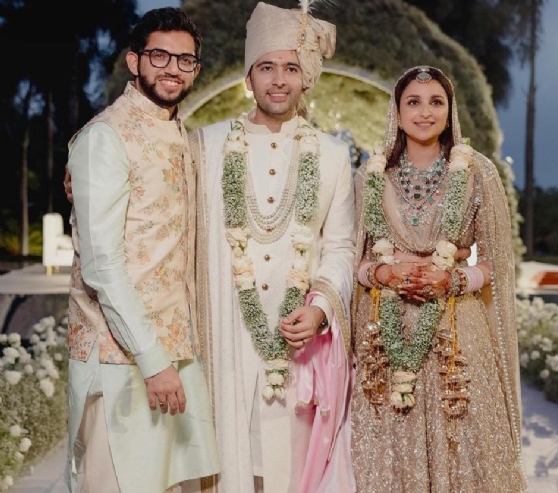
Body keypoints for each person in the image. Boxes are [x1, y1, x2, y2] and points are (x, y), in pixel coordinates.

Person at [188, 2, 356, 492]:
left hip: (297, 342)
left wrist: (321, 309)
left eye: (290, 68)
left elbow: (341, 248)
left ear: (306, 79)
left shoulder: (333, 156)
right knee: (229, 466)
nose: (279, 80)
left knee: (290, 471)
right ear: (248, 77)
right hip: (226, 336)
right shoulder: (205, 146)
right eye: (266, 67)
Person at [351, 66, 527, 492]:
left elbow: (497, 264)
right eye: (413, 102)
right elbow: (354, 261)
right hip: (387, 333)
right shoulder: (371, 174)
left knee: (464, 442)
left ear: (450, 111)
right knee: (391, 447)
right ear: (397, 112)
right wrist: (383, 272)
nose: (425, 112)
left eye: (436, 102)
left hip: (458, 330)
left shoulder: (477, 172)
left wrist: (453, 280)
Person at [64, 8, 219, 493]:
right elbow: (102, 266)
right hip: (122, 359)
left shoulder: (181, 135)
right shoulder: (105, 137)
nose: (173, 68)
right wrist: (153, 360)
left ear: (196, 69)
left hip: (176, 355)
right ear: (134, 62)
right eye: (159, 56)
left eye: (185, 60)